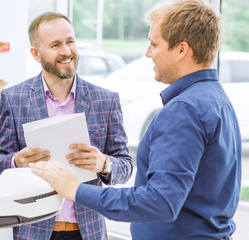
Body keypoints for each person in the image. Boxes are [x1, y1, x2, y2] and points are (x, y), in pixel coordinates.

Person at [30, 0, 242, 239]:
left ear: (181, 50)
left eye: (154, 44)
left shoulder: (184, 110)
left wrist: (75, 189)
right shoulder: (216, 99)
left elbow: (159, 202)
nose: (147, 53)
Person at [0, 11, 133, 240]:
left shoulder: (105, 100)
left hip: (87, 232)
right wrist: (16, 161)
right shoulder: (14, 98)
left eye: (70, 41)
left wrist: (104, 163)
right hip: (33, 230)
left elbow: (125, 166)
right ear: (36, 54)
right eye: (55, 45)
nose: (66, 51)